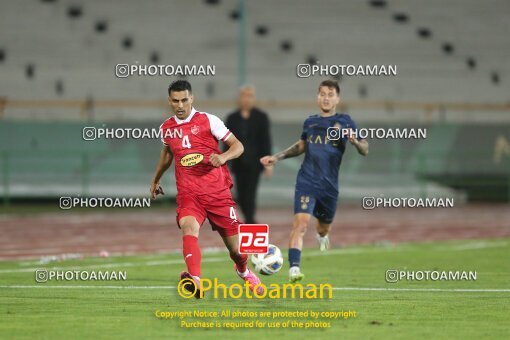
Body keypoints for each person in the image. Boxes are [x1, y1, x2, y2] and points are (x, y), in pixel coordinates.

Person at [150, 80, 263, 298]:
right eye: (176, 101)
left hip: (217, 193)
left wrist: (223, 157)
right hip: (189, 193)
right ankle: (196, 280)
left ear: (191, 98)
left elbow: (238, 146)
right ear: (169, 101)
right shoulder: (166, 128)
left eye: (184, 100)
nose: (180, 105)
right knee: (188, 227)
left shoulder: (208, 120)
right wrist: (156, 179)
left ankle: (243, 271)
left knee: (237, 251)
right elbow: (167, 154)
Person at [260, 80, 369, 282]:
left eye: (330, 94)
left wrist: (355, 142)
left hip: (329, 187)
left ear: (338, 99)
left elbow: (365, 149)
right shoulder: (310, 122)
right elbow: (301, 146)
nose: (325, 98)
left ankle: (322, 235)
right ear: (317, 97)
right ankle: (294, 269)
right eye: (322, 94)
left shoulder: (346, 122)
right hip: (306, 182)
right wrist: (277, 157)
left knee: (323, 227)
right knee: (300, 225)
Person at [225, 86, 272, 224]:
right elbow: (226, 141)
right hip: (238, 163)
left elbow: (265, 140)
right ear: (240, 98)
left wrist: (269, 163)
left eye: (250, 95)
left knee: (250, 194)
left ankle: (250, 222)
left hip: (255, 163)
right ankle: (250, 220)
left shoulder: (261, 117)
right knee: (240, 194)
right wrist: (225, 162)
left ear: (253, 98)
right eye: (244, 95)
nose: (246, 99)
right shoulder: (232, 118)